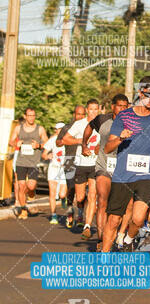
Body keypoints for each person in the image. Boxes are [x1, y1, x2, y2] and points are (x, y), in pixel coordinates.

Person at [100, 76, 150, 253]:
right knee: (113, 220)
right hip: (122, 175)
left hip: (146, 175)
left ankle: (128, 239)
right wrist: (120, 138)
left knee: (139, 218)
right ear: (140, 93)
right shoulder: (124, 116)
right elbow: (108, 147)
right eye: (148, 94)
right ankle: (104, 255)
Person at [85, 94, 129, 249]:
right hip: (103, 166)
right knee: (103, 200)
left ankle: (119, 234)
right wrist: (84, 144)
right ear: (113, 107)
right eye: (119, 106)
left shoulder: (132, 123)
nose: (122, 109)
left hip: (122, 170)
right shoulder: (103, 120)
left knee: (121, 207)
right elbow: (89, 126)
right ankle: (101, 238)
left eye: (125, 106)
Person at [61, 99, 101, 239]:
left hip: (96, 165)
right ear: (87, 110)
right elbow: (65, 140)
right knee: (80, 197)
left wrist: (99, 147)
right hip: (80, 164)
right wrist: (82, 142)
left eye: (96, 109)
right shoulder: (80, 124)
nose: (94, 112)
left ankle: (87, 226)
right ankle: (79, 211)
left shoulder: (102, 124)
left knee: (92, 196)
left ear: (99, 110)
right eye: (91, 109)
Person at [9, 107, 48, 219]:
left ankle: (32, 192)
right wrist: (16, 143)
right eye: (29, 115)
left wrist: (38, 146)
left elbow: (47, 143)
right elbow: (10, 141)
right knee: (21, 186)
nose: (31, 118)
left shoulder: (40, 129)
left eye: (33, 116)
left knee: (30, 186)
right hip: (21, 162)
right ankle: (23, 210)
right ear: (25, 116)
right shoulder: (18, 128)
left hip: (33, 163)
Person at [56, 106, 86, 228]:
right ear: (74, 114)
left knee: (82, 192)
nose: (80, 117)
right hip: (69, 161)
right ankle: (70, 211)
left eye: (83, 114)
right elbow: (58, 143)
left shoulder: (88, 127)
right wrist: (68, 141)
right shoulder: (67, 128)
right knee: (71, 188)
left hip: (83, 161)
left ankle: (80, 215)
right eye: (78, 114)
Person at [42, 122, 68, 224]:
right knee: (52, 193)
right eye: (57, 129)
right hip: (53, 168)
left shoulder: (69, 140)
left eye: (62, 129)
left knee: (62, 194)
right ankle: (54, 215)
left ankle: (63, 198)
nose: (59, 131)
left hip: (65, 169)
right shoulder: (52, 140)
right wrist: (47, 156)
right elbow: (44, 154)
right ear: (56, 130)